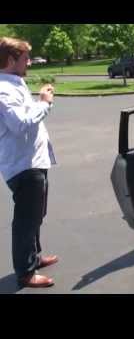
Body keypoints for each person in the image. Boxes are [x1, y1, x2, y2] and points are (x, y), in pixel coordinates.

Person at [0, 37, 58, 288]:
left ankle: (33, 257)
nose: (29, 63)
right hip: (23, 165)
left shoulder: (15, 83)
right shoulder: (3, 89)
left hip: (33, 160)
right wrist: (44, 103)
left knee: (36, 214)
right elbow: (19, 122)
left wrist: (38, 102)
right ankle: (25, 272)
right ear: (11, 60)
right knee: (26, 219)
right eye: (25, 58)